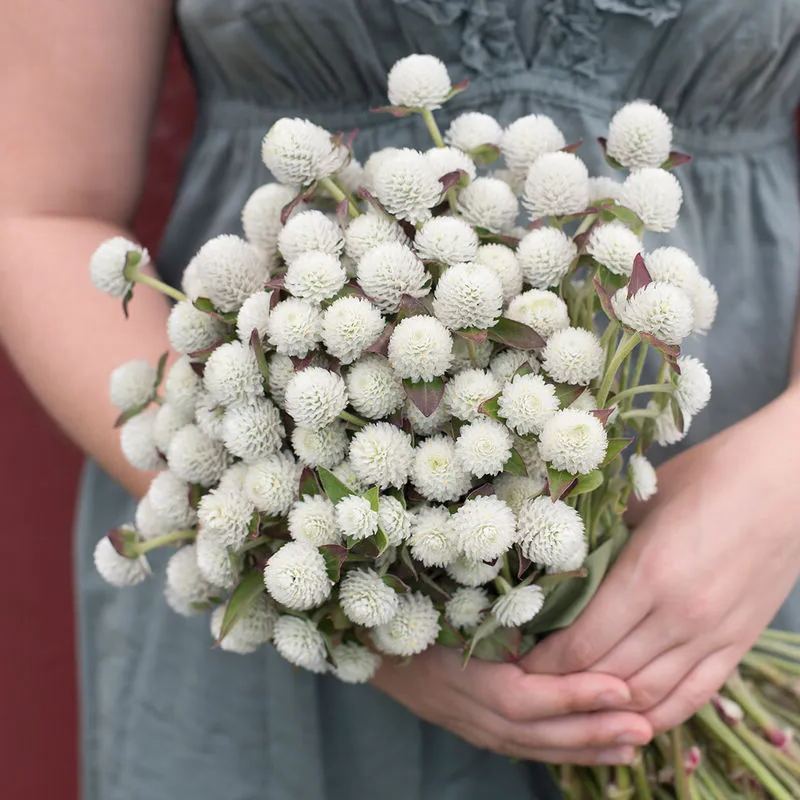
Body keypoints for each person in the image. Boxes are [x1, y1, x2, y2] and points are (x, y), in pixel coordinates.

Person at [1, 2, 799, 798]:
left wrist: (782, 481)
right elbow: (37, 205)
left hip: (742, 550)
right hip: (287, 543)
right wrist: (353, 598)